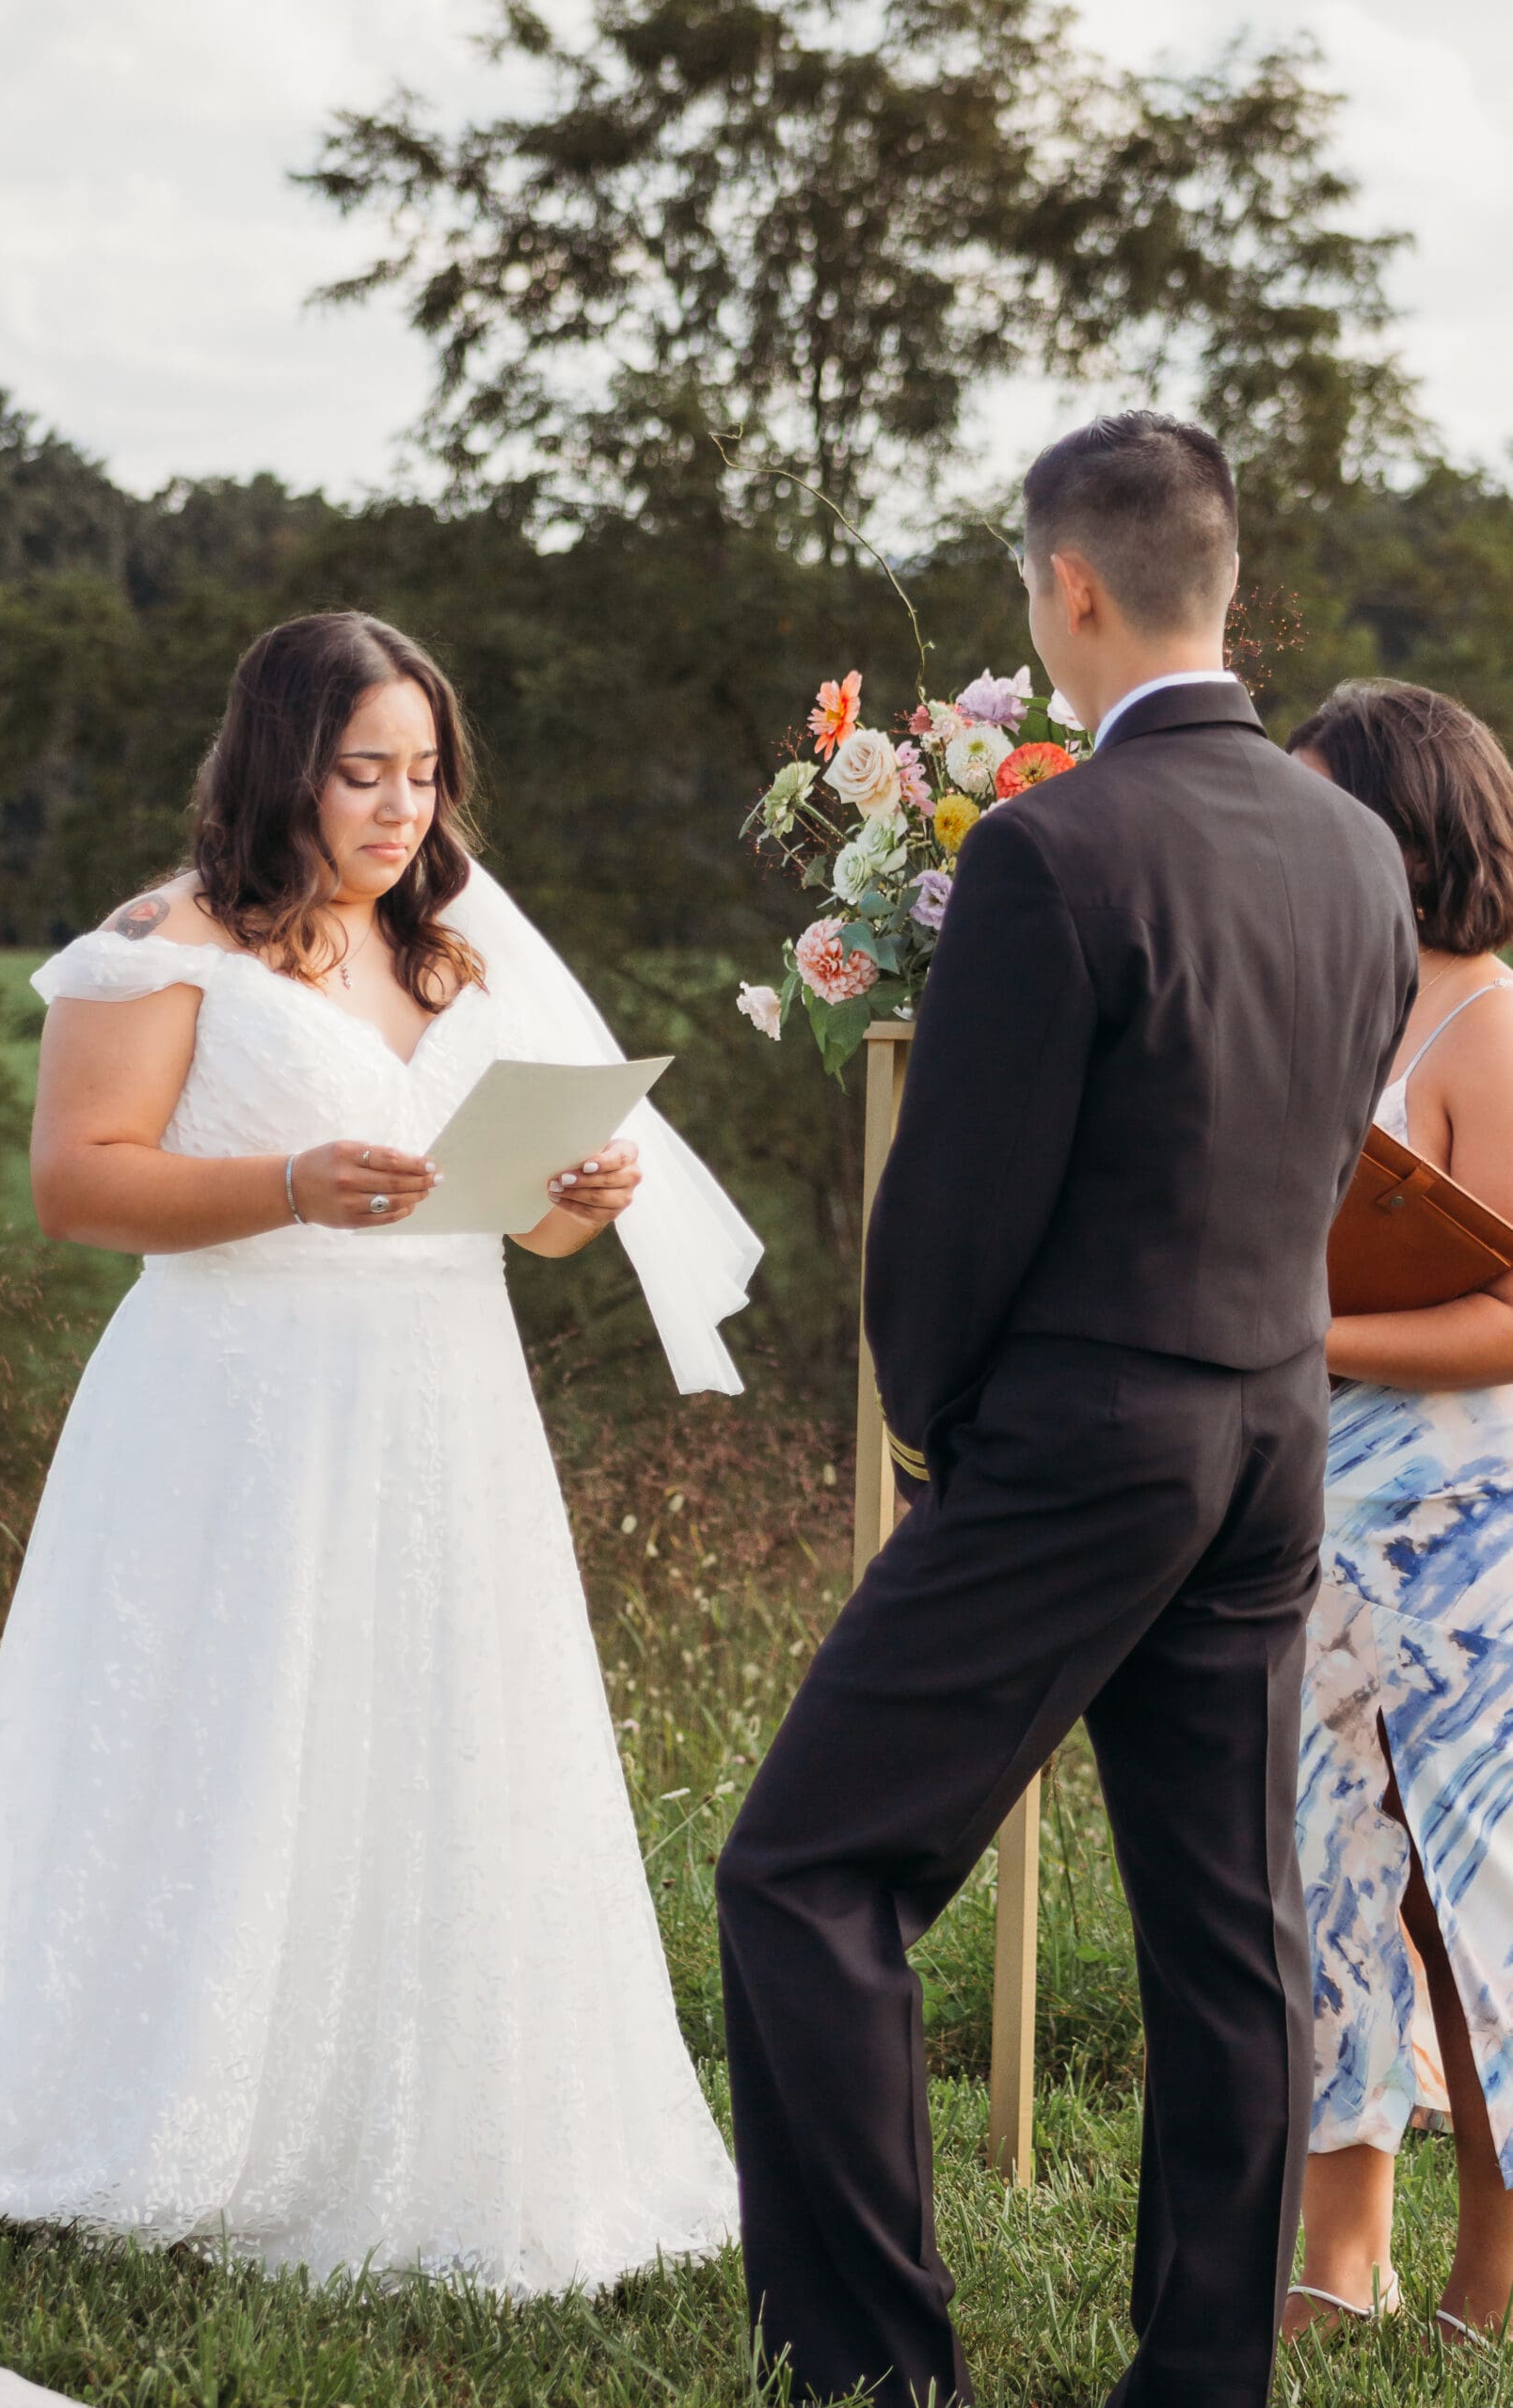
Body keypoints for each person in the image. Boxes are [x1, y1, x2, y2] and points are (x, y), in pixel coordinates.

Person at [0, 610, 759, 2292]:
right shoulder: (163, 946)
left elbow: (519, 1231)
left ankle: (422, 2108)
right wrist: (288, 1183)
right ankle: (163, 2093)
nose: (396, 810)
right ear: (279, 764)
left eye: (422, 775)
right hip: (237, 1401)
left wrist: (574, 1200)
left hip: (443, 1403)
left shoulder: (453, 960)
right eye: (361, 773)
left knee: (431, 1727)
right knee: (224, 1732)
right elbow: (80, 1183)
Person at [715, 412, 1416, 2408]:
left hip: (1076, 1437)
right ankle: (1204, 2376)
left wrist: (942, 1432)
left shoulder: (1048, 848)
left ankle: (872, 2365)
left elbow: (951, 1214)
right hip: (1271, 1429)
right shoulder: (1353, 842)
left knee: (806, 1869)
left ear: (1073, 588)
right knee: (1226, 1916)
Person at [1284, 681, 1513, 2350]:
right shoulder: (1320, 1008)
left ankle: (1493, 2269)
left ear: (1399, 825)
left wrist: (1297, 1333)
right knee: (1325, 1881)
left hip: (1463, 1531)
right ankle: (1334, 2260)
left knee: (1473, 1898)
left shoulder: (1489, 1025)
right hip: (1303, 1518)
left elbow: (1510, 1308)